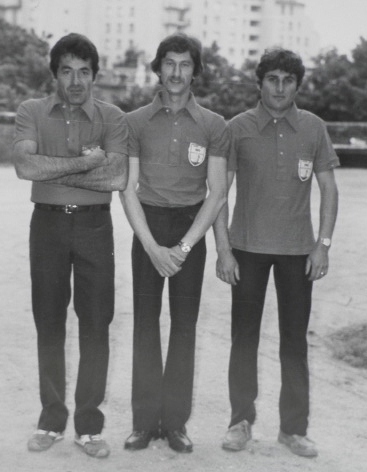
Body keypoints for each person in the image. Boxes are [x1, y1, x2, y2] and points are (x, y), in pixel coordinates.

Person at [214, 48, 339, 458]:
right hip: (247, 248)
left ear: (298, 85)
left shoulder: (313, 128)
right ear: (260, 83)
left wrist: (322, 245)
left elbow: (329, 189)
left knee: (294, 342)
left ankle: (293, 429)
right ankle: (240, 420)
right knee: (244, 338)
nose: (280, 88)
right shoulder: (238, 127)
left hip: (297, 252)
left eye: (288, 80)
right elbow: (220, 193)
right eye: (272, 79)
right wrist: (224, 250)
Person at [12, 33, 128, 459]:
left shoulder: (114, 117)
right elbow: (25, 165)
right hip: (47, 227)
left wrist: (54, 172)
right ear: (55, 75)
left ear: (95, 75)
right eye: (67, 71)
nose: (76, 80)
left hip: (96, 227)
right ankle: (50, 420)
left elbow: (116, 178)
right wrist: (86, 162)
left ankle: (89, 426)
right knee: (49, 321)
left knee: (97, 324)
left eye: (84, 72)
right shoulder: (31, 112)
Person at [120, 33, 229, 453]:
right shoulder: (135, 122)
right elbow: (127, 189)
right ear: (158, 67)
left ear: (195, 71)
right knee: (145, 326)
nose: (177, 72)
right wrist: (150, 245)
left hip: (191, 230)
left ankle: (176, 423)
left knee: (184, 329)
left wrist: (183, 247)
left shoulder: (213, 125)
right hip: (147, 229)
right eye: (169, 63)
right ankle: (144, 422)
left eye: (185, 64)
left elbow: (217, 193)